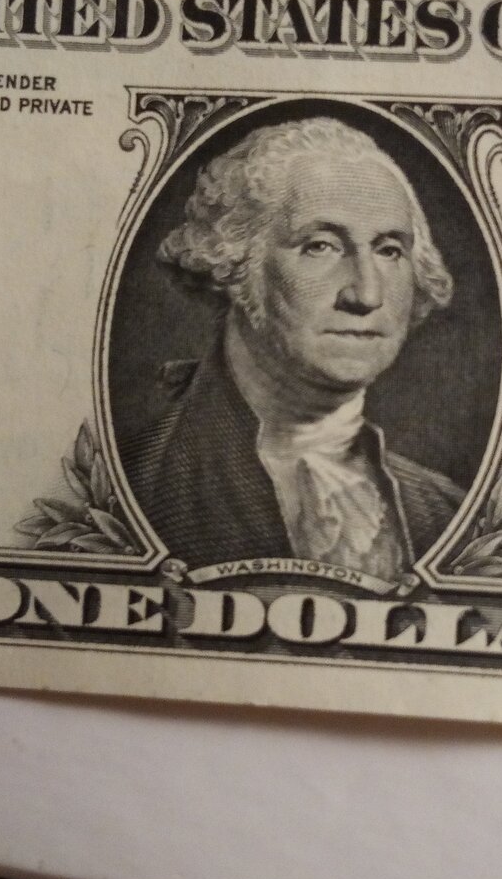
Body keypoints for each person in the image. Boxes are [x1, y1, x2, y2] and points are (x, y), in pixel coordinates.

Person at [125, 116, 463, 579]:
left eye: (389, 250)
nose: (366, 294)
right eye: (320, 246)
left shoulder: (446, 511)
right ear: (234, 263)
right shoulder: (136, 485)